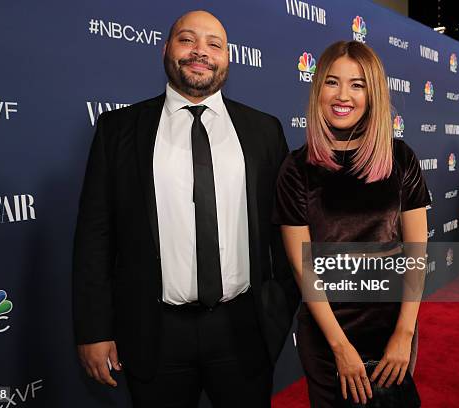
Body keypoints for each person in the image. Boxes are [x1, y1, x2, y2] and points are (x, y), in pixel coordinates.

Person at [72, 10, 299, 408]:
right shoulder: (118, 130)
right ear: (166, 49)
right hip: (153, 334)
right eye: (187, 40)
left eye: (214, 44)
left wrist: (277, 312)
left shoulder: (265, 130)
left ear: (228, 58)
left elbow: (286, 230)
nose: (201, 52)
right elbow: (95, 236)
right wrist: (93, 329)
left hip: (243, 331)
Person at [273, 41, 430, 407]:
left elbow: (417, 253)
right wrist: (340, 347)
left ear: (372, 93)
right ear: (318, 90)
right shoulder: (296, 169)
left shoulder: (400, 159)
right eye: (332, 82)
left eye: (357, 84)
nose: (343, 95)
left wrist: (404, 333)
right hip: (329, 336)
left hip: (392, 330)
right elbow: (302, 267)